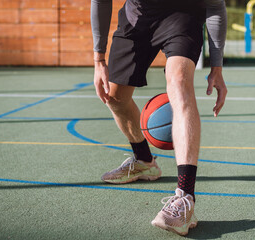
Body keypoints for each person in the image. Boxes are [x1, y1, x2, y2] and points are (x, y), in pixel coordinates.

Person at [90, 0, 227, 236]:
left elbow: (216, 6)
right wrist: (98, 60)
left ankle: (185, 198)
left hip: (181, 15)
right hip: (136, 20)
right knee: (115, 98)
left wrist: (217, 67)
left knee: (179, 83)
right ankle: (144, 162)